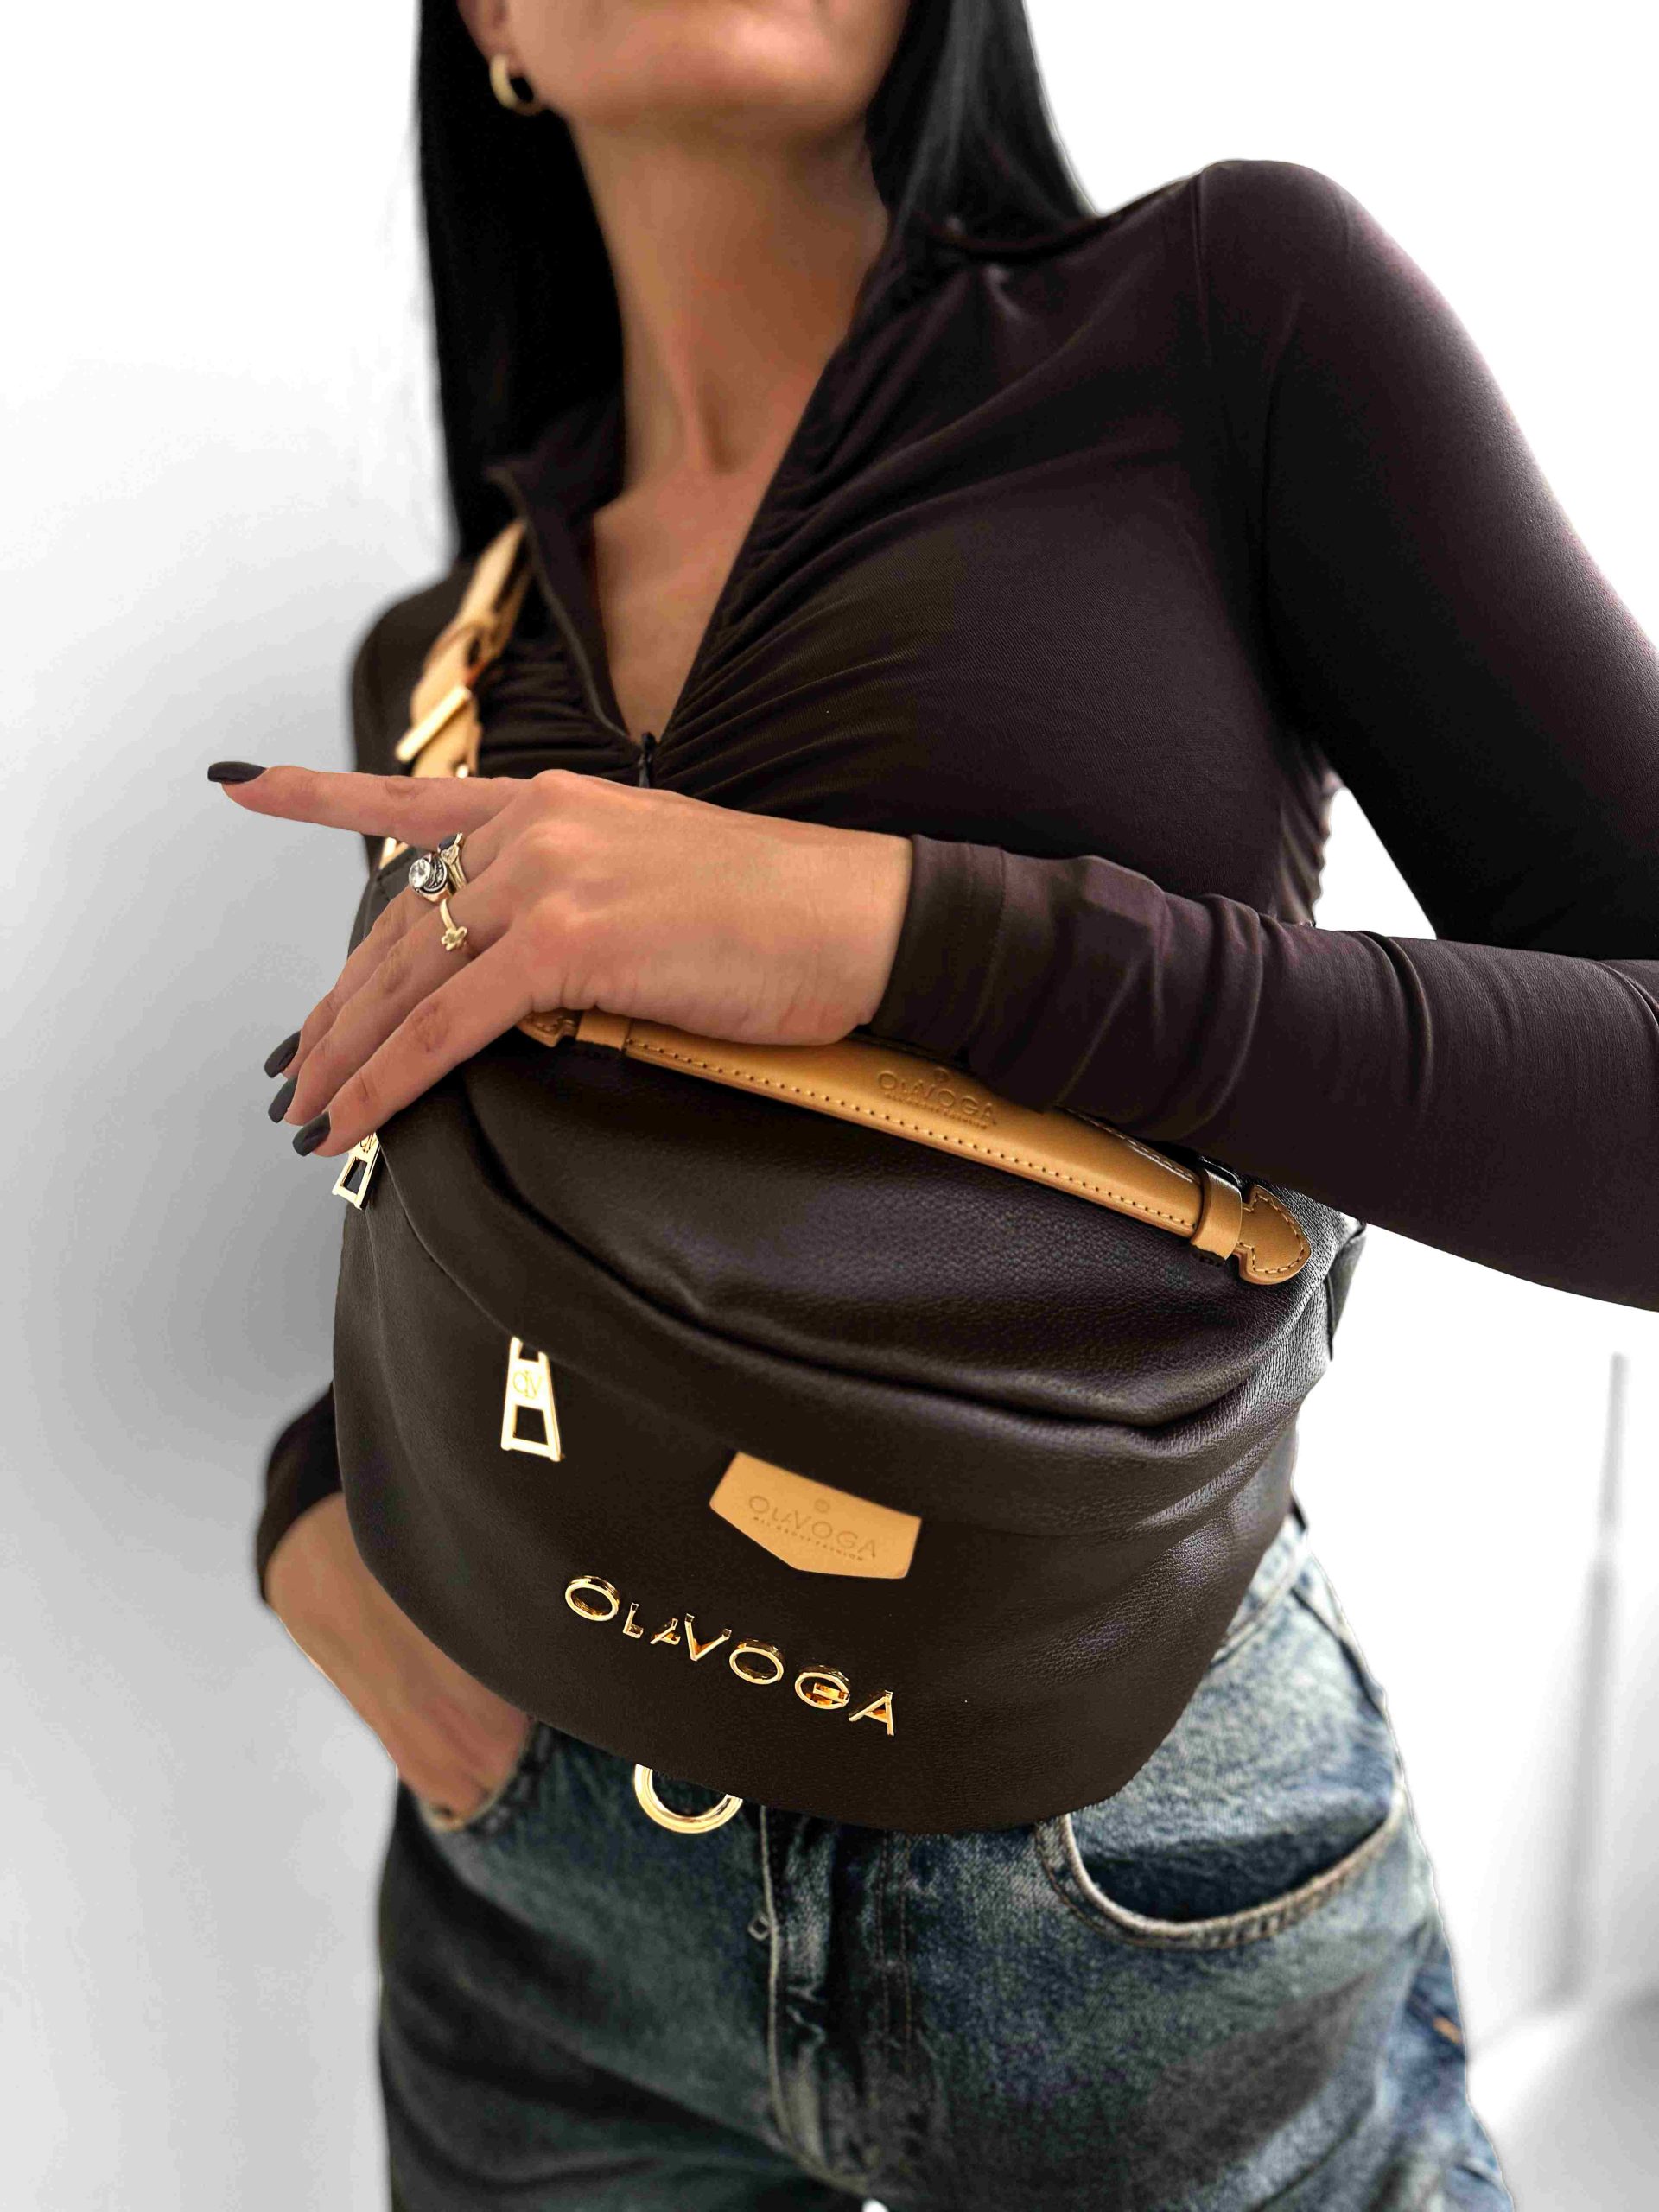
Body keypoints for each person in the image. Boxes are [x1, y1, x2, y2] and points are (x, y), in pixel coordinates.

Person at [216, 0, 1659, 2203]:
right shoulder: (443, 649)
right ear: (492, 21)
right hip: (546, 1911)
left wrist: (901, 930)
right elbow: (468, 1213)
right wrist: (317, 1502)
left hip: (1131, 1876)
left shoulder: (1222, 318)